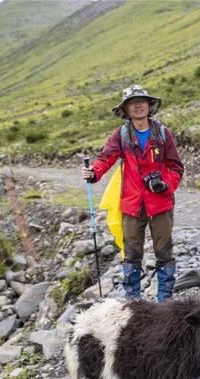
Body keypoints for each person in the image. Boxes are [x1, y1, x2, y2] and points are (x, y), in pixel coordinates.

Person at [81, 84, 184, 302]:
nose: (138, 105)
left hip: (161, 203)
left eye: (142, 101)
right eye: (132, 103)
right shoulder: (121, 135)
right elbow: (105, 159)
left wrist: (166, 184)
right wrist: (93, 173)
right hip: (132, 204)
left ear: (149, 105)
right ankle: (134, 302)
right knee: (131, 255)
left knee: (164, 252)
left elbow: (176, 167)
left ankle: (165, 301)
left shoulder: (163, 133)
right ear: (126, 110)